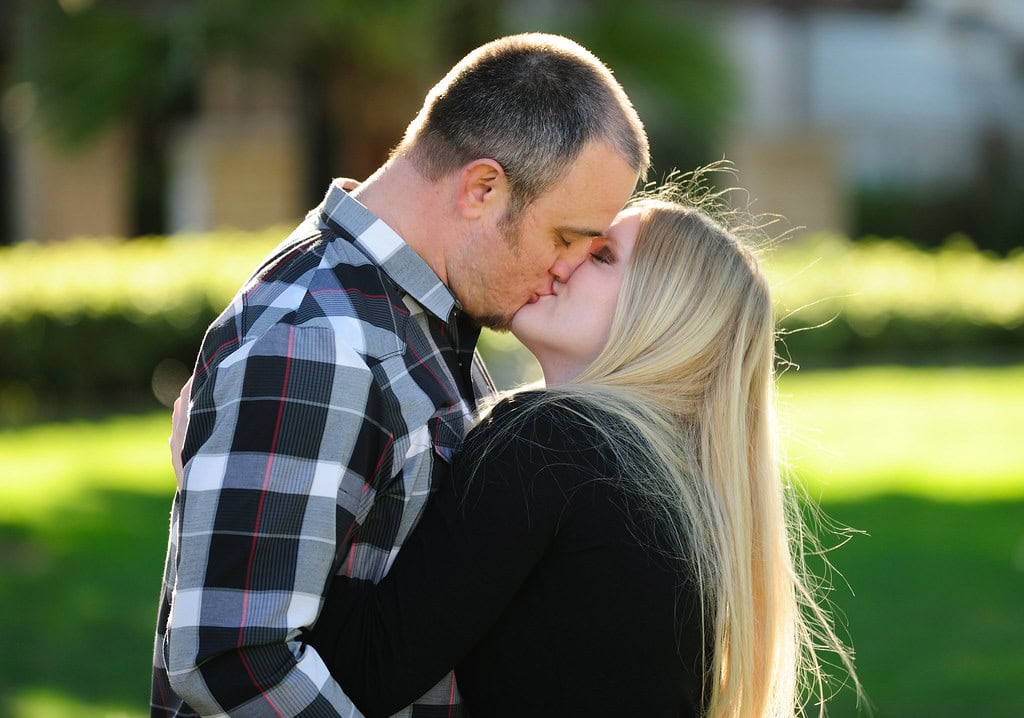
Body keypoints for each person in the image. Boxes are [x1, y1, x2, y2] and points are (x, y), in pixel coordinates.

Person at [171, 173, 861, 717]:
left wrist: (227, 465)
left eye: (601, 254)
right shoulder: (667, 479)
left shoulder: (551, 444)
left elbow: (368, 670)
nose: (560, 261)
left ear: (662, 312)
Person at [152, 33, 648, 717]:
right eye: (564, 238)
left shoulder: (415, 315)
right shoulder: (320, 344)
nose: (564, 269)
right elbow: (233, 660)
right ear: (481, 188)